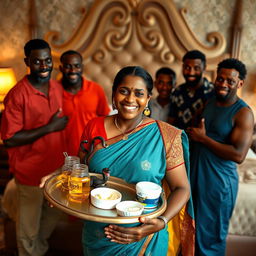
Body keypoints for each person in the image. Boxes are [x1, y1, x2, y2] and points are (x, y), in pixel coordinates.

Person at [79, 66, 194, 255]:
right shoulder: (94, 126)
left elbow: (182, 188)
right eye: (123, 91)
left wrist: (160, 222)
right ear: (114, 94)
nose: (130, 99)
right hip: (98, 234)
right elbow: (80, 170)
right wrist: (58, 183)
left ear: (148, 98)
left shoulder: (166, 136)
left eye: (138, 93)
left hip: (145, 236)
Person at [0, 39, 69, 256]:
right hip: (30, 172)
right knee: (27, 231)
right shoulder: (17, 94)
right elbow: (9, 139)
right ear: (27, 61)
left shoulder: (57, 86)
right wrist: (50, 128)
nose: (44, 65)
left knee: (52, 215)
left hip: (56, 170)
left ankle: (37, 249)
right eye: (37, 61)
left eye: (47, 60)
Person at [187, 58, 254, 256]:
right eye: (220, 79)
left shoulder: (244, 113)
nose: (223, 84)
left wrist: (203, 139)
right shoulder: (209, 101)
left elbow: (239, 155)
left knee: (211, 238)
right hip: (196, 174)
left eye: (230, 81)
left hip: (219, 182)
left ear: (240, 83)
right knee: (192, 230)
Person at [59, 50, 110, 156]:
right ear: (61, 68)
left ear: (82, 67)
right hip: (60, 153)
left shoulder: (96, 89)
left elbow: (105, 120)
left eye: (76, 66)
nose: (73, 70)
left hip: (90, 151)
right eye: (68, 66)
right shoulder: (52, 91)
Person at [168, 50, 214, 129]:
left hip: (204, 140)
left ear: (204, 68)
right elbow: (171, 121)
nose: (191, 72)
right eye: (187, 67)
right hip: (179, 139)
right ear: (183, 67)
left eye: (196, 68)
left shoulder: (213, 91)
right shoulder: (177, 91)